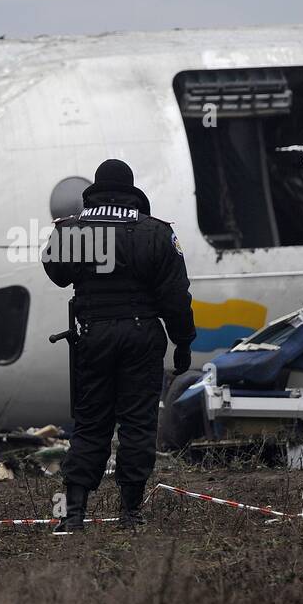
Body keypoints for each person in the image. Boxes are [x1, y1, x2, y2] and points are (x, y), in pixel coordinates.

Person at [43, 159, 196, 533]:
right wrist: (183, 341)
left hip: (93, 336)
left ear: (95, 189)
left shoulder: (73, 231)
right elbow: (176, 296)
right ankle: (130, 512)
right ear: (131, 190)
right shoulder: (157, 232)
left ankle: (74, 514)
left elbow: (55, 273)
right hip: (143, 336)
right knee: (137, 424)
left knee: (91, 423)